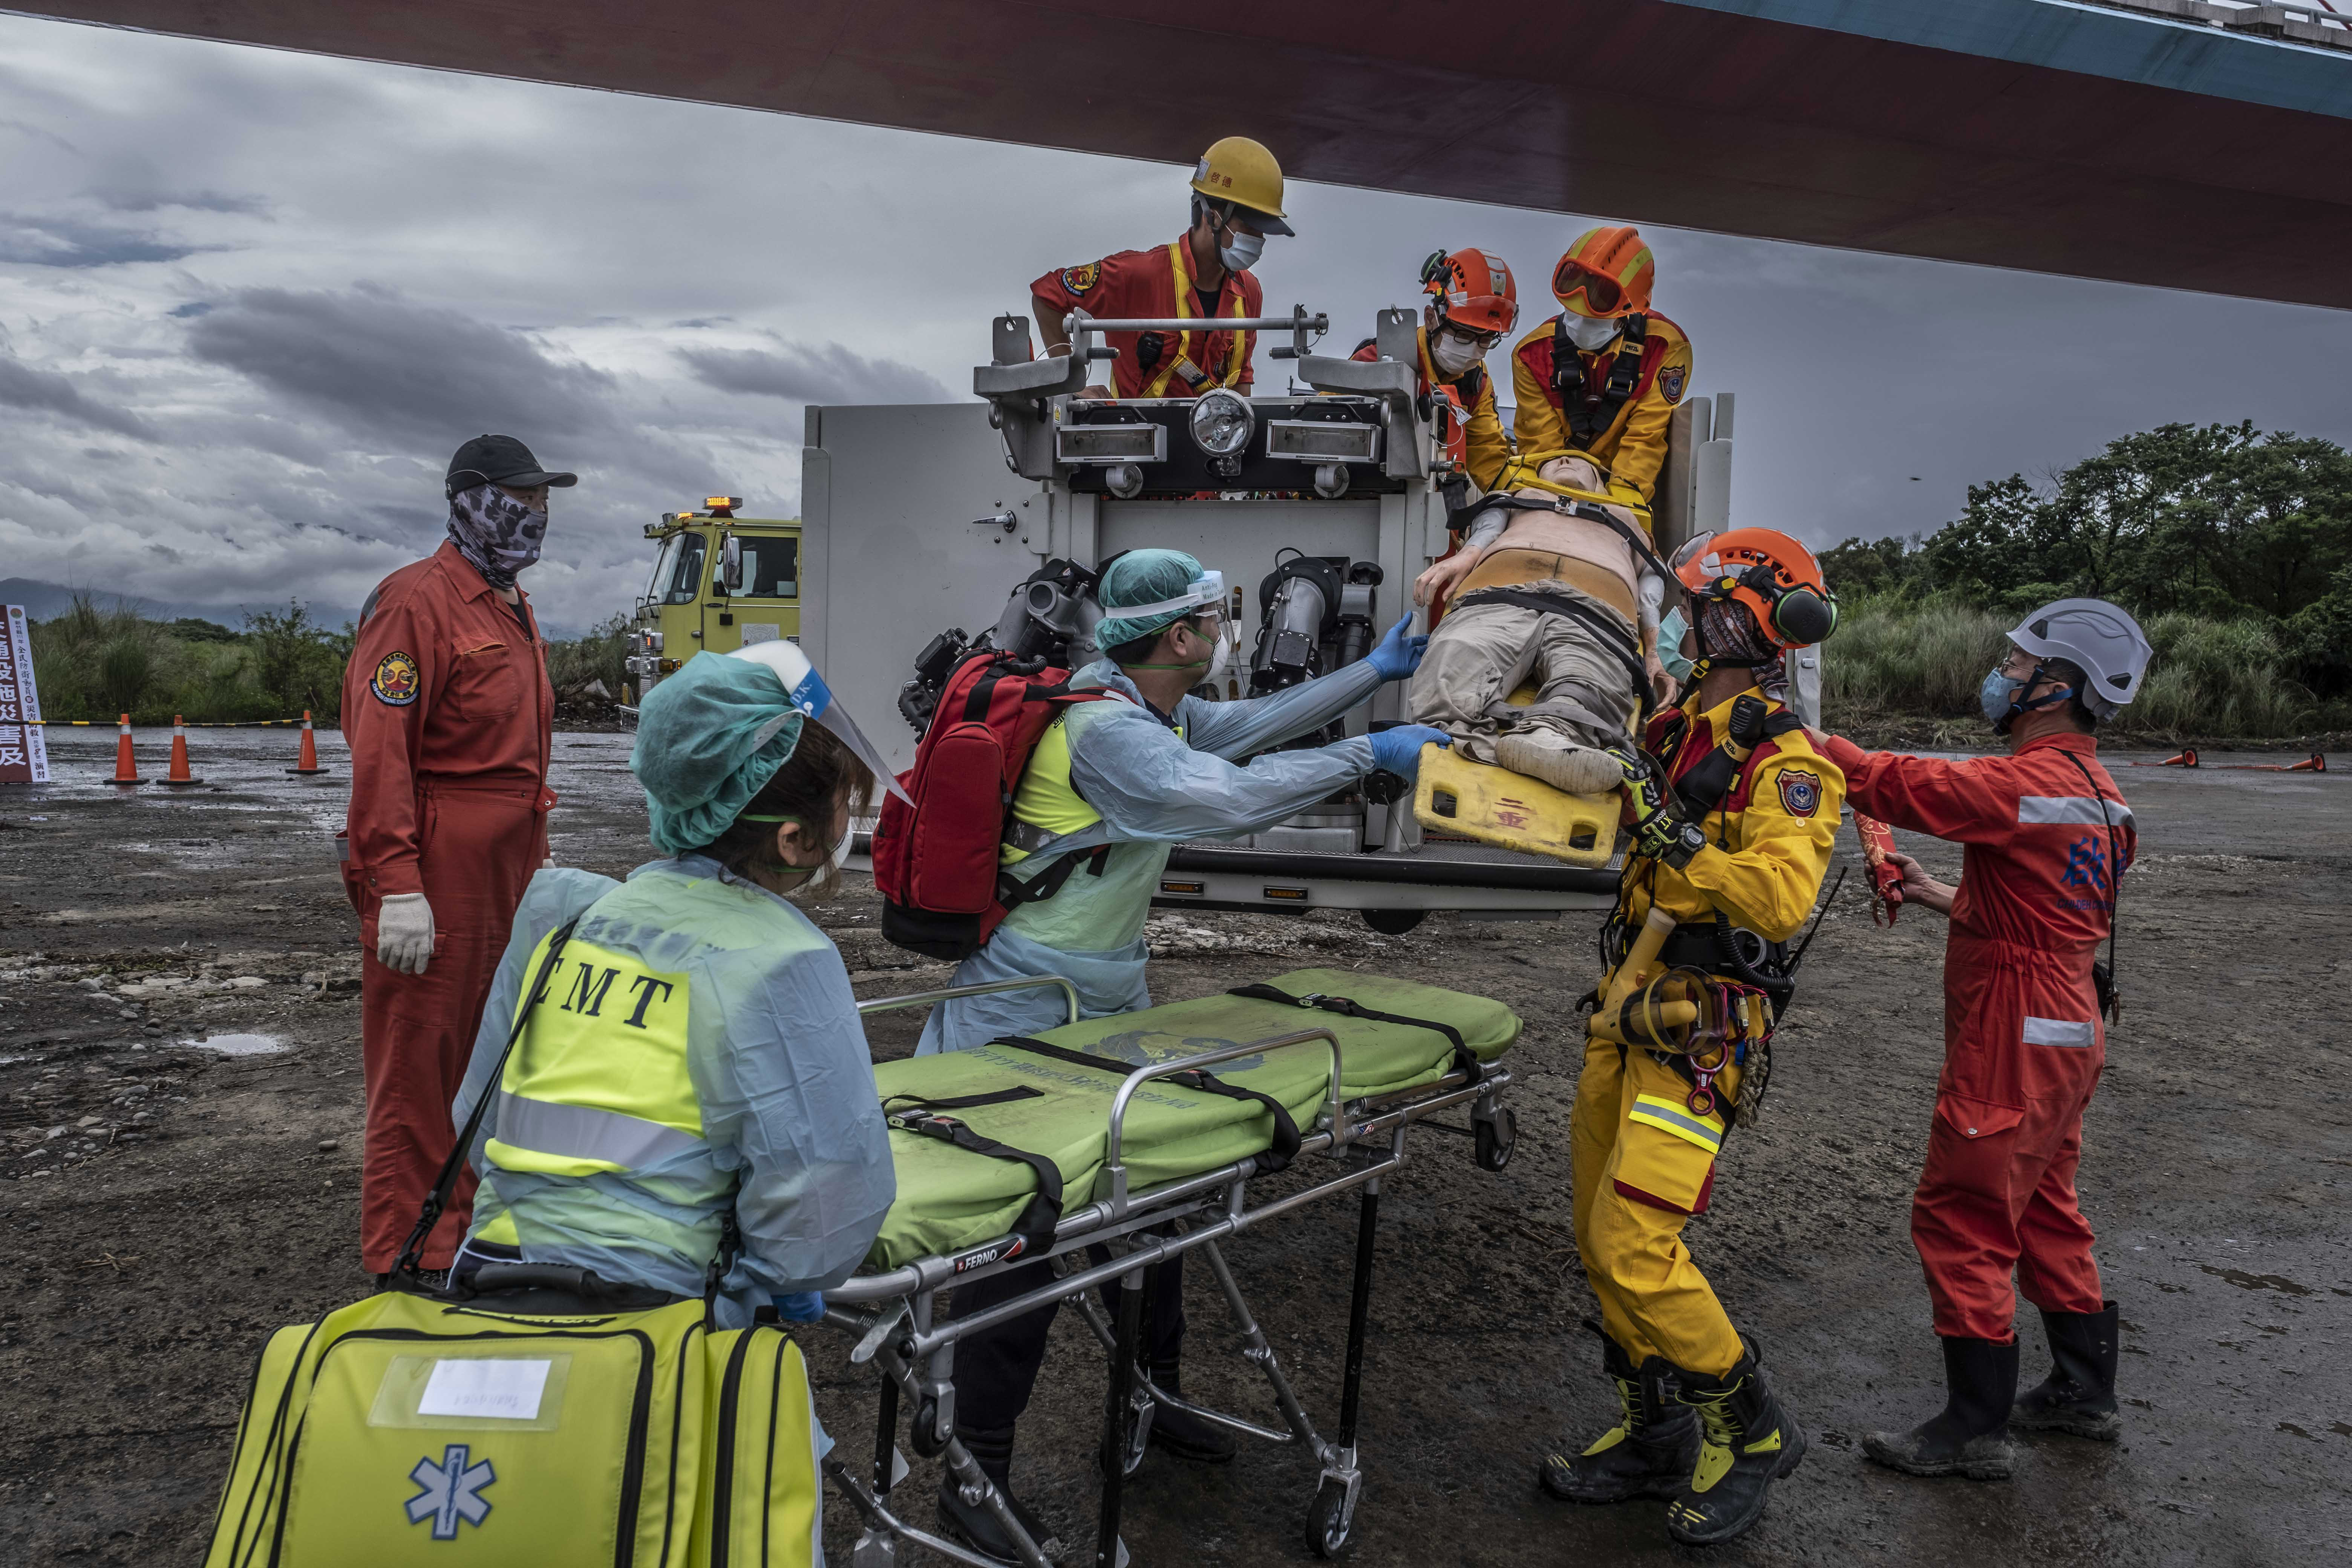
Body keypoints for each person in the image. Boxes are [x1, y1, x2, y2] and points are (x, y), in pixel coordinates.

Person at [918, 547, 1447, 1562]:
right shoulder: (1107, 730)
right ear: (1183, 639)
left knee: (1152, 1195)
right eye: (1217, 620)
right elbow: (1222, 796)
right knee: (1019, 1235)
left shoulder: (1143, 701)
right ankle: (974, 1471)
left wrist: (1374, 674)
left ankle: (1153, 1395)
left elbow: (1240, 732)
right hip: (1022, 1002)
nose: (1227, 635)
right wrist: (1371, 757)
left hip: (1101, 989)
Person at [448, 639, 899, 1329]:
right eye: (843, 804)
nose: (847, 821)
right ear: (793, 841)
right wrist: (758, 1280)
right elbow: (822, 1215)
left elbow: (478, 1122)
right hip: (657, 1315)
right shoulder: (780, 959)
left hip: (496, 1276)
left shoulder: (567, 915)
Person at [1538, 528, 1841, 1548]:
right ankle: (1656, 1422)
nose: (1673, 615)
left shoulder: (1789, 763)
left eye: (1689, 602)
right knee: (1594, 1234)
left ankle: (1750, 1428)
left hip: (1699, 1026)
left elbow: (1781, 897)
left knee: (1636, 1242)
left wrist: (1679, 840)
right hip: (1625, 1005)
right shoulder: (1672, 730)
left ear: (1737, 620)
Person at [1807, 600, 2150, 1482]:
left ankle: (1973, 1424)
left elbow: (1895, 783)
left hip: (2014, 1023)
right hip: (2067, 1015)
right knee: (2042, 1204)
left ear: (2053, 687)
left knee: (1963, 1209)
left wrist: (1808, 741)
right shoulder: (2105, 799)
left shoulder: (2022, 784)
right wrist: (1933, 895)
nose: (2000, 672)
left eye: (2015, 661)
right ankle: (2083, 1393)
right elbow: (2042, 917)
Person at [340, 433, 570, 1285]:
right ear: (473, 499)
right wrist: (396, 883)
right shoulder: (416, 604)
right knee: (421, 1068)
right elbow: (382, 754)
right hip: (438, 868)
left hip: (508, 870)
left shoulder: (508, 603)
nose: (539, 516)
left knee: (488, 1056)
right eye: (525, 499)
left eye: (545, 502)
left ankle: (465, 1235)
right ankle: (409, 1256)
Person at [1406, 446, 1672, 797]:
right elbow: (1486, 530)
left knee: (1592, 680)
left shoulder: (1627, 518)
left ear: (1601, 482)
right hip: (1501, 595)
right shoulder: (1522, 496)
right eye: (1551, 462)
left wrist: (1653, 649)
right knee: (1456, 653)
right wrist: (1465, 558)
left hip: (1594, 614)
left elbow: (1652, 583)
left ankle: (1549, 736)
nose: (1562, 461)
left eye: (1575, 460)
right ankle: (1481, 745)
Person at [1028, 136, 1293, 400]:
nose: (1259, 239)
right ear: (1213, 216)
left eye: (1263, 230)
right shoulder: (1135, 275)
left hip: (1213, 439)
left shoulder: (1250, 291)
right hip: (1137, 437)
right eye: (1250, 227)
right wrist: (1070, 387)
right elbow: (1047, 295)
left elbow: (1241, 380)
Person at [1510, 225, 1694, 514]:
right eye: (1573, 312)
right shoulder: (1532, 354)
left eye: (1595, 318)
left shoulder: (1665, 348)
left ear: (1632, 310)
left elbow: (1644, 439)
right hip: (1554, 482)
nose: (1581, 322)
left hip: (1622, 488)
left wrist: (1620, 507)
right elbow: (1541, 448)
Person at [1350, 247, 1517, 493]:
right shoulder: (1377, 361)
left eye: (1486, 339)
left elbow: (1490, 458)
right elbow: (1323, 424)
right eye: (1464, 335)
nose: (1474, 349)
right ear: (1431, 319)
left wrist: (1524, 497)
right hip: (1358, 499)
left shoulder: (1476, 383)